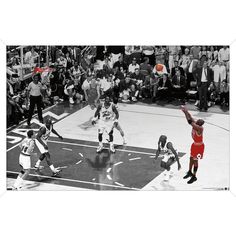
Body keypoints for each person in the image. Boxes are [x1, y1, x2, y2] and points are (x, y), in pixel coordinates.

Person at [181, 106, 205, 184]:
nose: (197, 120)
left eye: (198, 121)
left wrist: (185, 112)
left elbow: (189, 121)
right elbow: (190, 118)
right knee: (191, 158)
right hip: (194, 145)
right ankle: (189, 172)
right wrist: (186, 112)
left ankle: (194, 176)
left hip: (199, 147)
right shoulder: (196, 124)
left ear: (199, 124)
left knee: (195, 161)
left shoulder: (199, 128)